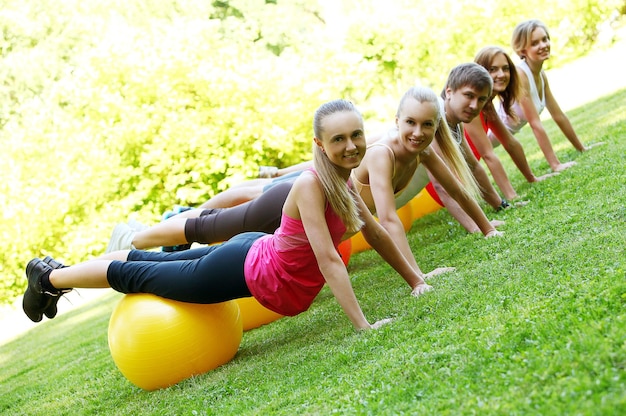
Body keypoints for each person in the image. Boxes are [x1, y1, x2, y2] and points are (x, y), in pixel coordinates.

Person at [23, 99, 427, 330]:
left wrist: (417, 282)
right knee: (138, 274)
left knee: (144, 264)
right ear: (320, 145)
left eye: (356, 135)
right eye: (338, 139)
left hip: (252, 252)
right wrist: (364, 325)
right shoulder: (311, 184)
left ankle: (56, 274)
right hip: (242, 268)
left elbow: (373, 233)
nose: (352, 145)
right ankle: (48, 277)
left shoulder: (343, 181)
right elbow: (326, 258)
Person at [107, 87, 501, 289]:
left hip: (319, 212)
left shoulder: (422, 150)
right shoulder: (381, 154)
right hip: (293, 201)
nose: (418, 132)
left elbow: (459, 189)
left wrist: (488, 228)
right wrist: (420, 276)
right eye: (410, 123)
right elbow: (386, 221)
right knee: (210, 227)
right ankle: (133, 237)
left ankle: (157, 240)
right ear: (396, 121)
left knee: (220, 233)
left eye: (426, 125)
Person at [499, 19, 602, 172]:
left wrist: (582, 148)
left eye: (545, 39)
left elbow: (558, 115)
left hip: (501, 135)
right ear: (522, 50)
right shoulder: (521, 75)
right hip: (488, 136)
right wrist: (555, 165)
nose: (543, 45)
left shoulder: (540, 74)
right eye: (534, 43)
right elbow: (535, 124)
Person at [428, 63, 515, 233]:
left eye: (481, 99)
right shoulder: (434, 117)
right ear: (449, 92)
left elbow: (473, 166)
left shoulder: (454, 122)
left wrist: (500, 205)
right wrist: (476, 227)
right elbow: (440, 184)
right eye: (469, 95)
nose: (475, 105)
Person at [463, 45, 557, 201]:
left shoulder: (486, 104)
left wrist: (531, 178)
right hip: (442, 183)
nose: (501, 74)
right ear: (480, 72)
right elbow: (488, 155)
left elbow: (510, 143)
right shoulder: (471, 106)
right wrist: (511, 196)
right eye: (492, 69)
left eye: (505, 69)